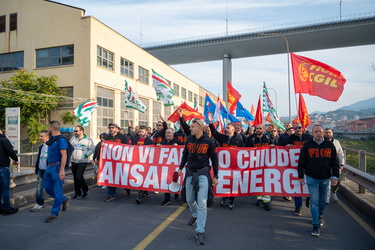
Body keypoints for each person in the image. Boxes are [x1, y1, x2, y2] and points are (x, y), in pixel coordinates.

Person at [178, 118, 219, 245]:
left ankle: (200, 230)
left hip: (203, 173)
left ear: (200, 127)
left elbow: (214, 158)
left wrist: (216, 176)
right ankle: (194, 214)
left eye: (193, 126)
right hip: (190, 171)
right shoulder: (189, 139)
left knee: (202, 202)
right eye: (190, 126)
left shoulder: (209, 141)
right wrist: (180, 167)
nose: (190, 128)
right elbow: (185, 154)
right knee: (189, 200)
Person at [298, 125, 339, 237]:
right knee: (314, 201)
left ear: (323, 133)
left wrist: (335, 176)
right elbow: (301, 161)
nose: (318, 133)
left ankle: (319, 215)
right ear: (312, 133)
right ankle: (315, 225)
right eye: (316, 132)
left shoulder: (330, 145)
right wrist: (300, 176)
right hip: (311, 177)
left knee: (322, 201)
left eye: (320, 131)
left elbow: (335, 162)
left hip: (325, 178)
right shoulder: (307, 145)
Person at [209, 120, 244, 210]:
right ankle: (224, 197)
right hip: (224, 165)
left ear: (233, 129)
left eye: (228, 127)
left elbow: (244, 150)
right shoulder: (222, 137)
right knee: (224, 182)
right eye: (226, 127)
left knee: (233, 183)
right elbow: (214, 133)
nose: (226, 129)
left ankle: (231, 201)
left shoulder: (239, 138)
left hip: (234, 166)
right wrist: (210, 123)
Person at [44, 121, 70, 222]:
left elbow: (64, 155)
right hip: (49, 167)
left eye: (48, 127)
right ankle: (63, 199)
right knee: (46, 187)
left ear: (51, 128)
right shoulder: (52, 139)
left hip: (57, 167)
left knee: (57, 191)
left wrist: (62, 170)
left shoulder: (61, 140)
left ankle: (54, 213)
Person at [285, 122, 313, 216]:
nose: (297, 129)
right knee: (297, 186)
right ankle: (298, 206)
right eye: (295, 128)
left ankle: (309, 198)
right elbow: (285, 149)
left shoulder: (309, 137)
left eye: (299, 127)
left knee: (309, 184)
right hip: (295, 165)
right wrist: (288, 147)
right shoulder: (291, 138)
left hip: (309, 165)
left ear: (302, 128)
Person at [245, 124, 273, 211]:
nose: (258, 130)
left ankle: (266, 202)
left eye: (260, 128)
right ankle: (259, 198)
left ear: (263, 129)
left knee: (267, 182)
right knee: (257, 181)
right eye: (257, 129)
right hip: (255, 164)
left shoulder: (268, 138)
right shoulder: (251, 139)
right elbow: (246, 150)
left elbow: (276, 148)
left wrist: (273, 146)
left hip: (267, 164)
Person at [103, 123, 131, 201]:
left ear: (117, 129)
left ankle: (127, 187)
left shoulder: (122, 137)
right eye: (110, 127)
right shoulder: (107, 137)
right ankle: (111, 194)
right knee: (111, 177)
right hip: (110, 161)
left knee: (123, 176)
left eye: (113, 127)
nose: (111, 129)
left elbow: (127, 148)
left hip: (120, 160)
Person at [158, 128, 183, 206]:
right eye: (166, 133)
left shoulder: (178, 142)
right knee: (167, 180)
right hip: (166, 166)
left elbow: (183, 150)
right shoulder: (163, 142)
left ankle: (176, 192)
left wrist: (179, 146)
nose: (167, 134)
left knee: (176, 180)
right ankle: (167, 198)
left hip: (175, 165)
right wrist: (158, 145)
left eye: (169, 132)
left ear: (173, 134)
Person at [70, 125, 95, 199]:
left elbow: (92, 149)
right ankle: (77, 193)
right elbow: (69, 147)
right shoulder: (73, 139)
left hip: (82, 161)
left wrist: (86, 155)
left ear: (82, 131)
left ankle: (85, 189)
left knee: (79, 177)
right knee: (75, 177)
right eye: (74, 131)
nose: (75, 132)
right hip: (74, 161)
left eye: (76, 131)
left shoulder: (88, 140)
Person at [132, 125, 154, 204]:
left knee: (143, 178)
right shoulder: (135, 139)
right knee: (140, 178)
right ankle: (144, 192)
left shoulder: (149, 141)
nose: (140, 133)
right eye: (139, 132)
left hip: (146, 162)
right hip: (137, 162)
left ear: (146, 132)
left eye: (142, 132)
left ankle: (140, 195)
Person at [0, 128, 19, 215]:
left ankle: (0, 208)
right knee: (5, 189)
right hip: (2, 167)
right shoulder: (3, 139)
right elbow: (10, 151)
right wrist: (15, 159)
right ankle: (7, 208)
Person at [324, 128, 345, 203]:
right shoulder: (322, 142)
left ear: (332, 133)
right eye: (326, 132)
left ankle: (333, 192)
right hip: (325, 165)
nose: (328, 134)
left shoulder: (336, 142)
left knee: (337, 180)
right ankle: (327, 197)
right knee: (327, 181)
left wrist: (341, 164)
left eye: (329, 132)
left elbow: (340, 153)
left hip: (335, 164)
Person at [30, 130, 49, 212]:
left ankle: (62, 200)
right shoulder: (41, 147)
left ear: (47, 136)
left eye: (41, 136)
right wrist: (37, 168)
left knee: (50, 187)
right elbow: (39, 158)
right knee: (39, 187)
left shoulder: (51, 146)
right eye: (39, 136)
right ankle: (39, 203)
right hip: (41, 170)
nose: (39, 138)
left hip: (49, 170)